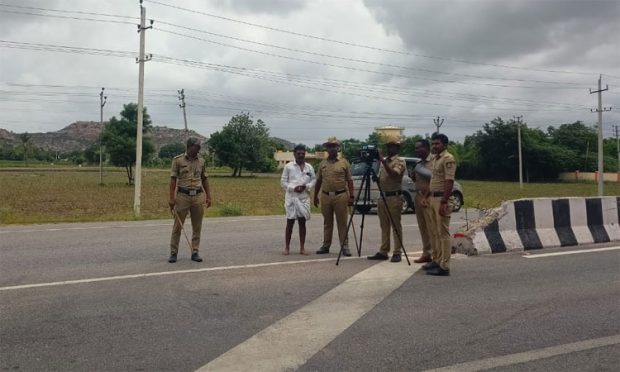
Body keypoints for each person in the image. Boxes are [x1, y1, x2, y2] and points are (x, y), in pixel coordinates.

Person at [168, 137, 212, 263]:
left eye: (199, 147)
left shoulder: (202, 161)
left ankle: (195, 252)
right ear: (190, 146)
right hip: (182, 196)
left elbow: (205, 179)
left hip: (198, 196)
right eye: (197, 146)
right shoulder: (177, 160)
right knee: (177, 226)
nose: (199, 149)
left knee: (197, 226)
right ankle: (173, 253)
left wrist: (208, 196)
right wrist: (171, 198)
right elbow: (173, 180)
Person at [367, 135, 406, 262]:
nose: (390, 149)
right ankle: (384, 250)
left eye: (392, 146)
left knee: (395, 226)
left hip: (394, 197)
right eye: (388, 146)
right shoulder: (386, 161)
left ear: (397, 148)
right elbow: (383, 177)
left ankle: (397, 251)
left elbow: (394, 174)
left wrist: (382, 161)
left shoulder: (399, 161)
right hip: (382, 196)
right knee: (384, 226)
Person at [313, 136, 354, 256]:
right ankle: (326, 245)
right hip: (325, 196)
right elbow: (319, 181)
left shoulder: (344, 163)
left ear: (338, 148)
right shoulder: (322, 164)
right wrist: (315, 196)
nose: (332, 148)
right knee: (327, 222)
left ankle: (345, 246)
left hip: (340, 196)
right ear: (327, 148)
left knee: (342, 222)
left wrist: (351, 196)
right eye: (329, 146)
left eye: (334, 146)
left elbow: (350, 181)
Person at [425, 133, 456, 276]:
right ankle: (437, 260)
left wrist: (444, 201)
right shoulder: (436, 159)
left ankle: (445, 266)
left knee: (443, 234)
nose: (434, 146)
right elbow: (434, 179)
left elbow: (449, 181)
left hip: (441, 200)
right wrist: (426, 195)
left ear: (445, 145)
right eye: (433, 143)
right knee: (435, 232)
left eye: (437, 143)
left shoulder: (448, 158)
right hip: (433, 198)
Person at [280, 144, 316, 255]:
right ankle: (287, 247)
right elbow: (283, 182)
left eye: (303, 153)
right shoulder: (289, 166)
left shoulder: (309, 167)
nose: (301, 155)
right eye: (298, 153)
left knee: (302, 223)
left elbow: (314, 180)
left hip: (304, 198)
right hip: (292, 197)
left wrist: (307, 187)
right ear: (294, 154)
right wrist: (293, 188)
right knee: (289, 223)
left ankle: (302, 248)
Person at [412, 139, 434, 264]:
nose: (416, 150)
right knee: (423, 227)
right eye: (415, 148)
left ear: (426, 148)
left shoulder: (434, 162)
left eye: (418, 148)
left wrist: (426, 196)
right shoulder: (419, 164)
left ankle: (436, 255)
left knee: (431, 227)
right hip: (419, 197)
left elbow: (435, 181)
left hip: (429, 197)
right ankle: (426, 253)